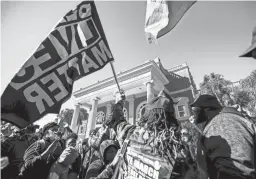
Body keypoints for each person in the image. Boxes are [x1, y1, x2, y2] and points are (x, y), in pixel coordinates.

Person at [104, 90, 188, 179]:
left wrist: (120, 101)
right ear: (172, 118)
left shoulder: (131, 133)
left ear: (148, 115)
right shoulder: (178, 153)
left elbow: (117, 119)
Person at [190, 94, 256, 179]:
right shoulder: (242, 120)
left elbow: (205, 169)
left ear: (206, 109)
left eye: (195, 109)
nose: (193, 113)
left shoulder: (216, 126)